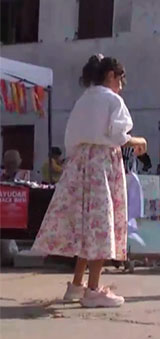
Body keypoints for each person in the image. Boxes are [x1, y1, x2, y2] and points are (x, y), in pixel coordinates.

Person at [32, 55, 147, 307]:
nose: (121, 85)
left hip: (79, 164)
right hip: (101, 164)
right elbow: (118, 135)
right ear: (110, 76)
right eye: (120, 78)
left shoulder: (83, 100)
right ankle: (94, 289)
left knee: (86, 227)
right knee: (100, 225)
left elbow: (71, 137)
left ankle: (76, 285)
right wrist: (138, 141)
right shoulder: (112, 100)